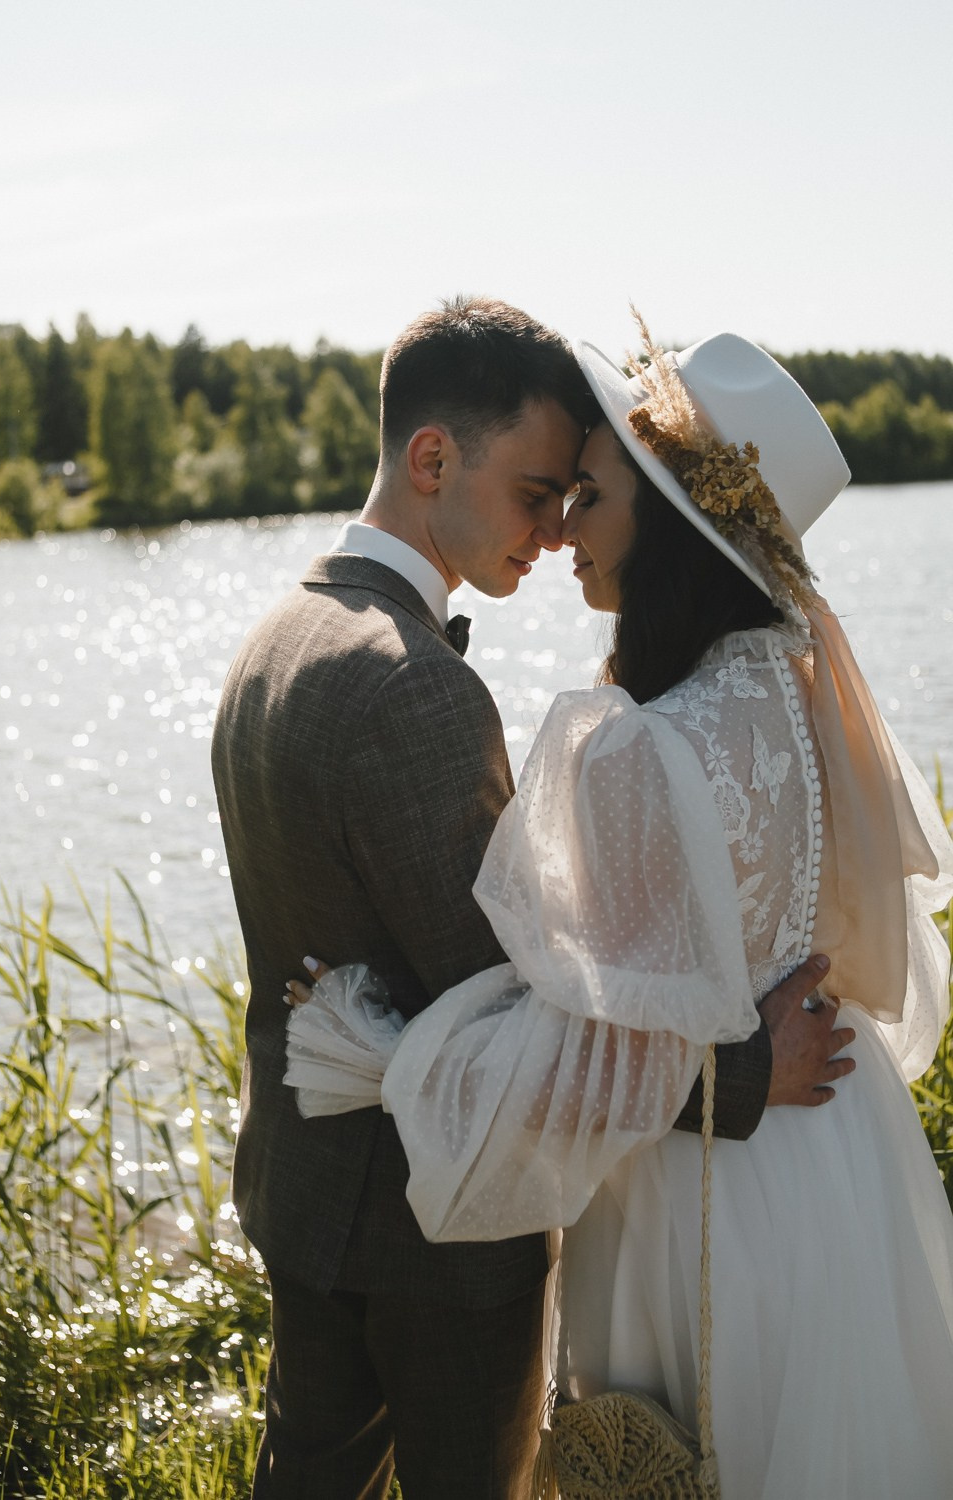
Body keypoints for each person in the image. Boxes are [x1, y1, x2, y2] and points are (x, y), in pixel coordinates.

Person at [285, 320, 953, 1497]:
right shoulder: (803, 690)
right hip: (839, 1160)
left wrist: (382, 1056)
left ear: (675, 525)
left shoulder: (633, 746)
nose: (560, 531)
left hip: (698, 1197)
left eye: (585, 497)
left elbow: (585, 1041)